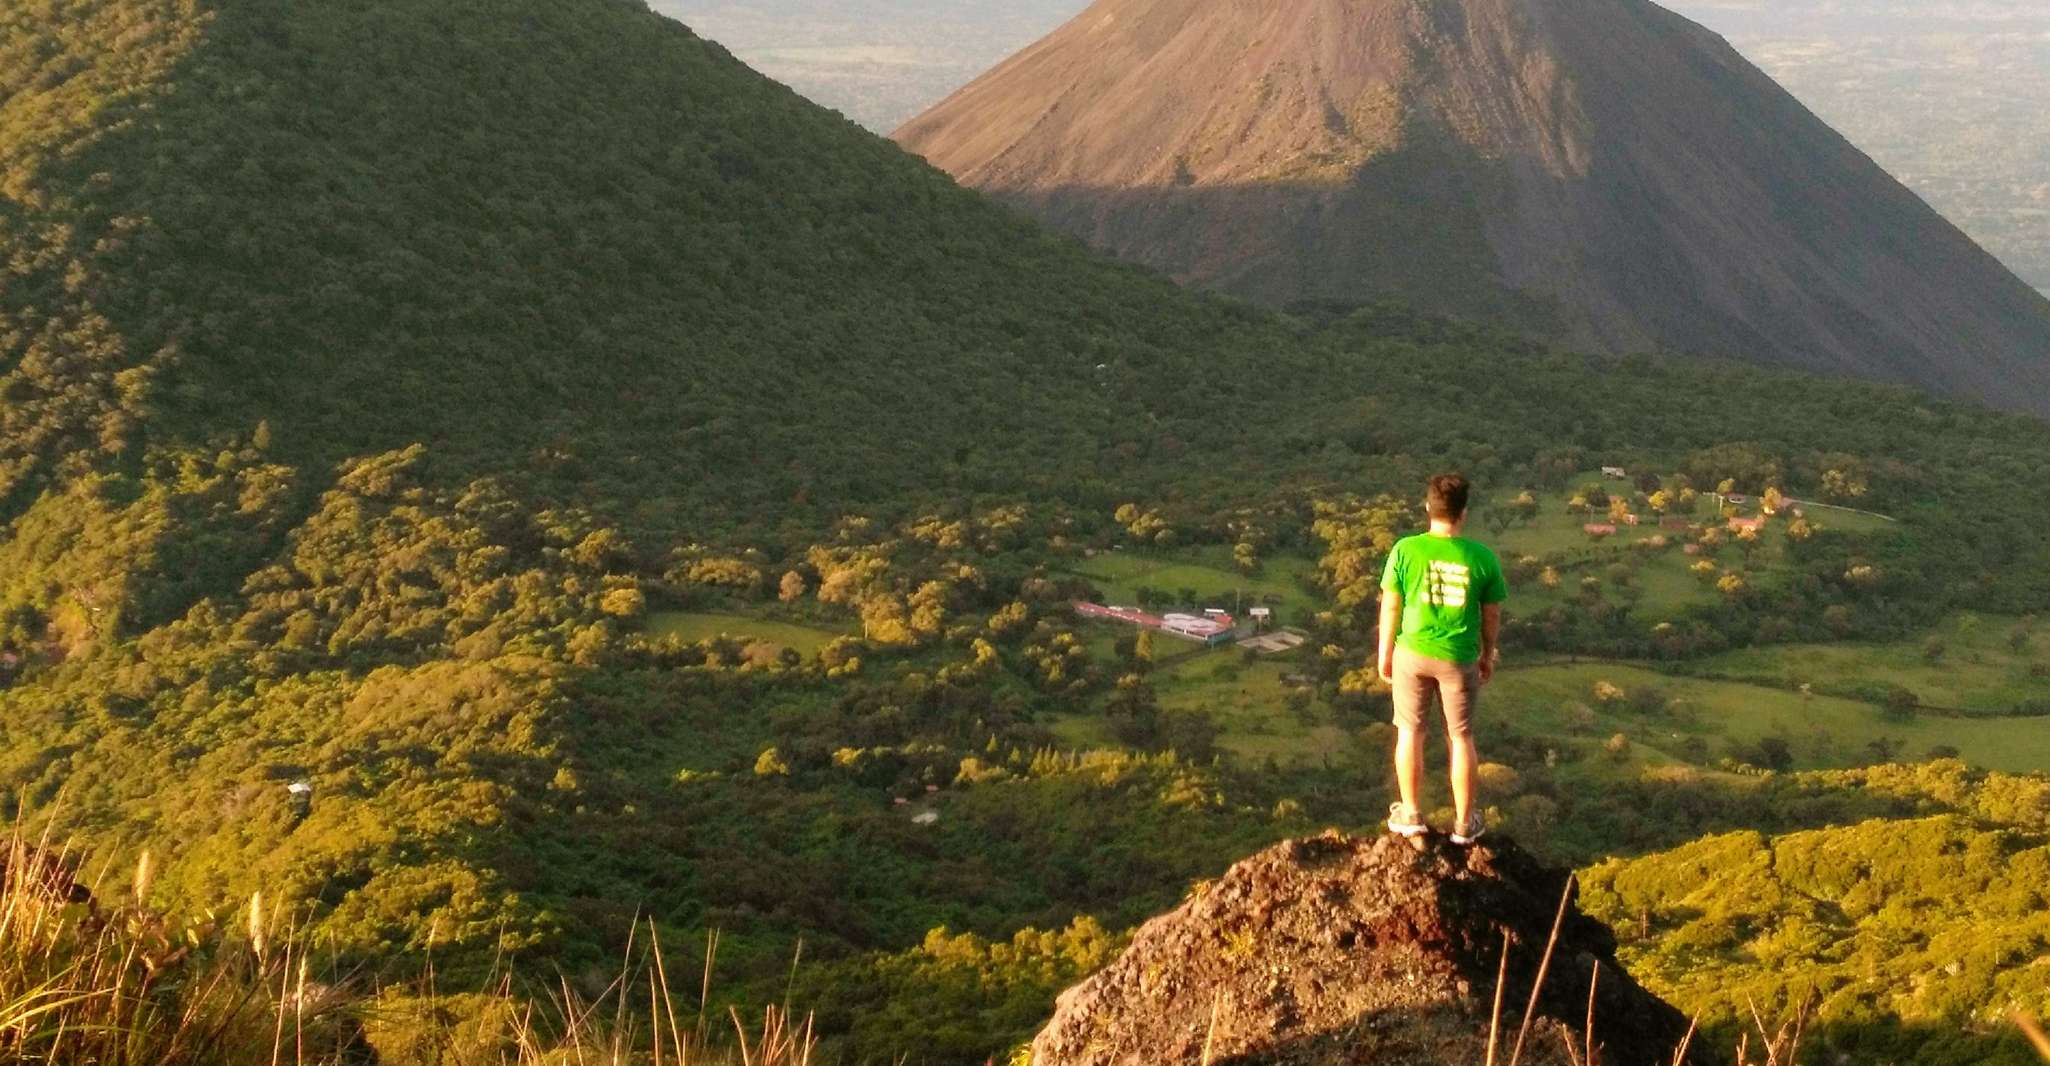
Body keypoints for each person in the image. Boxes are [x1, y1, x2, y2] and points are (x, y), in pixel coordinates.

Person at [1378, 473, 1507, 844]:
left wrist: (1386, 651)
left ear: (1427, 507)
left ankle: (1411, 813)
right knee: (1461, 737)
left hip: (1412, 653)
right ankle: (1465, 823)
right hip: (1458, 658)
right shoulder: (1482, 558)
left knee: (1410, 732)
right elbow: (1492, 614)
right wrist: (1488, 653)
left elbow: (1391, 604)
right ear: (1463, 513)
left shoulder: (1405, 550)